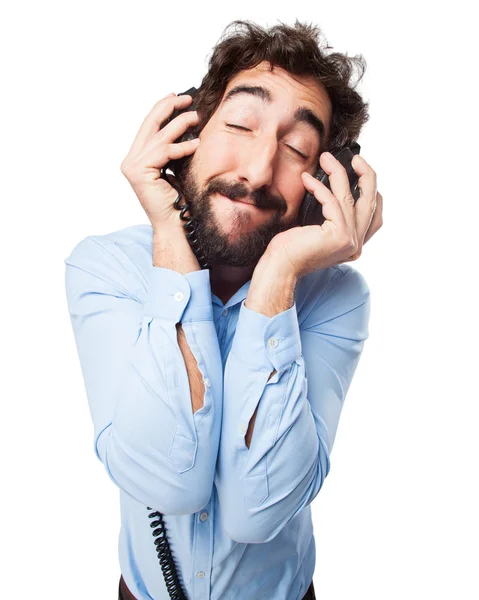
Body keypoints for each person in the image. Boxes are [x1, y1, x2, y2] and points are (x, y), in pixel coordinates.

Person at [64, 19, 383, 600]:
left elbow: (256, 513)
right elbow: (169, 482)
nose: (258, 170)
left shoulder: (337, 300)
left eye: (296, 149)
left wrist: (281, 272)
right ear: (189, 129)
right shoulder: (103, 269)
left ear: (326, 184)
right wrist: (170, 233)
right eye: (239, 125)